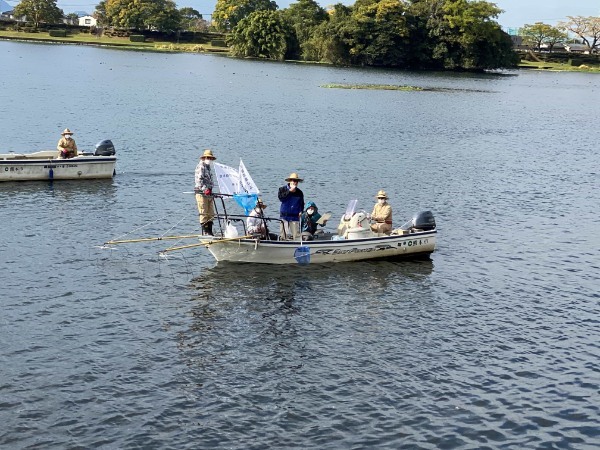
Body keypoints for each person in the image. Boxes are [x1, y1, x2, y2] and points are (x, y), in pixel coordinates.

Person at [194, 149, 217, 236]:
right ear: (204, 158)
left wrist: (210, 189)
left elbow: (210, 180)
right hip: (201, 193)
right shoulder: (201, 166)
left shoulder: (208, 167)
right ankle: (206, 231)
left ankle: (210, 231)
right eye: (207, 157)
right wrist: (204, 189)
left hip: (209, 193)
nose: (209, 159)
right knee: (203, 212)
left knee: (211, 213)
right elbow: (199, 180)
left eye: (210, 158)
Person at [278, 172, 304, 240]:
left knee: (297, 237)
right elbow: (281, 198)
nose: (295, 182)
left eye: (296, 181)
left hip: (295, 217)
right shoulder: (282, 189)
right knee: (283, 236)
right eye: (293, 180)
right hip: (284, 216)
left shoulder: (299, 192)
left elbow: (301, 204)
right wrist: (289, 191)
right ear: (289, 181)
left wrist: (301, 211)